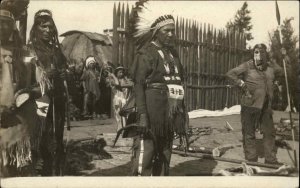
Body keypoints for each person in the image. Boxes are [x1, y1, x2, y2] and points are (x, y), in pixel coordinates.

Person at [129, 2, 187, 176]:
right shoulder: (146, 53)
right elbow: (138, 85)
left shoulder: (173, 54)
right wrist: (143, 115)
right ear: (156, 31)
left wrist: (181, 114)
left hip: (169, 113)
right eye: (166, 31)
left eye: (172, 30)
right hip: (152, 111)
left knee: (165, 153)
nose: (171, 34)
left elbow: (179, 83)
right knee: (147, 152)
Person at [26, 9, 68, 176]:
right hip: (40, 102)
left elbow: (64, 71)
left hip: (57, 102)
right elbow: (24, 80)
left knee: (56, 140)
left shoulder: (57, 50)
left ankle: (53, 174)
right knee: (40, 138)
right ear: (36, 28)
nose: (47, 30)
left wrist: (65, 75)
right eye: (43, 27)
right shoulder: (30, 50)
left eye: (50, 27)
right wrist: (42, 79)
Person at [226, 43, 283, 165]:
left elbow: (281, 72)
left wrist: (277, 82)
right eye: (256, 52)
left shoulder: (270, 67)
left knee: (269, 132)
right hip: (249, 104)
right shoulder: (247, 66)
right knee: (249, 132)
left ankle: (270, 160)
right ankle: (251, 159)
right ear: (253, 54)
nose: (259, 55)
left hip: (265, 105)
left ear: (265, 54)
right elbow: (230, 74)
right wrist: (240, 83)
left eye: (262, 52)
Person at [110, 66, 133, 131]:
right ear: (116, 73)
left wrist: (126, 78)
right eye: (120, 72)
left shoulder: (124, 80)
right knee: (118, 115)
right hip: (118, 100)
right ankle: (120, 128)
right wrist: (114, 76)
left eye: (122, 72)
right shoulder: (113, 80)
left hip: (124, 100)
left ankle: (125, 128)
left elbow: (131, 84)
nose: (122, 74)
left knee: (125, 115)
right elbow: (117, 84)